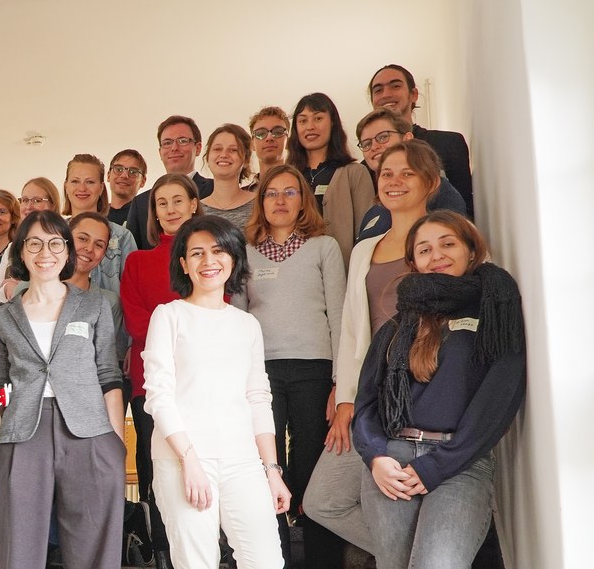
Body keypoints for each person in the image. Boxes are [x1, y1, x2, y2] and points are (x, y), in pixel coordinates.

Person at [0, 210, 125, 569]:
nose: (46, 252)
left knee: (95, 547)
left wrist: (115, 446)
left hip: (91, 435)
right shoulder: (3, 318)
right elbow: (0, 390)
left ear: (67, 250)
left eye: (56, 242)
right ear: (21, 253)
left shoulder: (94, 305)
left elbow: (109, 376)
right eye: (35, 243)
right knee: (17, 546)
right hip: (23, 435)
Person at [353, 211, 525, 569]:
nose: (438, 255)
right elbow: (367, 403)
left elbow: (498, 402)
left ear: (471, 251)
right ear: (414, 262)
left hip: (459, 463)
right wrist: (376, 456)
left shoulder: (496, 310)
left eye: (448, 244)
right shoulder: (398, 325)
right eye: (425, 249)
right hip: (392, 462)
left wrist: (438, 465)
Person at [304, 140, 442, 557]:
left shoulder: (445, 240)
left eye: (406, 173)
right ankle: (409, 559)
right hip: (371, 396)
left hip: (428, 392)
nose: (394, 181)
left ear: (430, 182)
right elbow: (350, 330)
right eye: (386, 173)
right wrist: (345, 397)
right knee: (322, 501)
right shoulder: (366, 247)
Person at [143, 214, 289, 569]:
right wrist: (188, 460)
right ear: (183, 264)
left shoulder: (246, 324)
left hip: (243, 461)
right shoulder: (168, 315)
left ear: (234, 259)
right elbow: (158, 395)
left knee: (266, 561)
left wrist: (271, 470)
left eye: (219, 251)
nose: (209, 261)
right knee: (197, 562)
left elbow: (258, 397)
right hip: (184, 459)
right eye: (197, 253)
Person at [234, 164, 347, 567]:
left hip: (315, 369)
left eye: (290, 192)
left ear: (304, 200)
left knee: (312, 466)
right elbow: (238, 319)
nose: (280, 201)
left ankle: (322, 560)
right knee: (267, 467)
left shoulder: (324, 247)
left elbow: (339, 316)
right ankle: (276, 557)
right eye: (271, 193)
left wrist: (341, 383)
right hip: (262, 372)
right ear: (260, 202)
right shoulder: (243, 252)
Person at [121, 173, 205, 569]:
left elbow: (215, 320)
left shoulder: (208, 258)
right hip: (151, 384)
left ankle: (211, 550)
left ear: (193, 204)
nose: (169, 210)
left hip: (204, 381)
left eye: (177, 201)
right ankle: (163, 555)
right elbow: (137, 326)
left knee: (205, 462)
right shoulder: (138, 261)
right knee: (155, 470)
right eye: (161, 203)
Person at [369, 64, 474, 217]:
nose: (386, 94)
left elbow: (466, 211)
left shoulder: (448, 143)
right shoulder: (367, 166)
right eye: (378, 90)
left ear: (414, 94)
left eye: (395, 86)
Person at [286, 93, 374, 269]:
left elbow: (368, 235)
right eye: (303, 121)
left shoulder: (354, 173)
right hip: (296, 274)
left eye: (318, 118)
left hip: (343, 272)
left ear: (333, 122)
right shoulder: (287, 176)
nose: (310, 126)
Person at [355, 108, 468, 241]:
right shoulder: (373, 213)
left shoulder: (438, 192)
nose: (374, 147)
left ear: (407, 138)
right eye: (366, 144)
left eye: (383, 137)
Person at [126, 115, 215, 250]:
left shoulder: (215, 190)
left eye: (182, 140)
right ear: (160, 152)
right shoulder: (141, 203)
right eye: (167, 142)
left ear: (197, 148)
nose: (174, 147)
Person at [62, 154, 137, 295]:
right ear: (66, 186)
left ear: (101, 187)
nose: (82, 188)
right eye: (75, 181)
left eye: (90, 182)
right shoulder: (53, 233)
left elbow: (133, 292)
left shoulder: (122, 236)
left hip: (109, 315)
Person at [66, 211, 129, 363]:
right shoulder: (30, 290)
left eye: (99, 244)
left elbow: (109, 367)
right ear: (66, 239)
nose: (89, 248)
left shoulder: (109, 302)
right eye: (82, 238)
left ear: (104, 254)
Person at [200, 124, 258, 230]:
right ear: (207, 158)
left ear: (246, 160)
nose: (224, 155)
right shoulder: (196, 210)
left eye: (233, 150)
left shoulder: (260, 205)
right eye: (217, 149)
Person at [106, 149, 148, 226]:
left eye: (133, 172)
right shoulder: (94, 214)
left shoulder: (147, 218)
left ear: (143, 181)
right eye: (118, 169)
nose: (124, 175)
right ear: (108, 175)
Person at [250, 107, 291, 179]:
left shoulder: (303, 188)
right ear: (252, 144)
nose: (269, 138)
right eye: (261, 134)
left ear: (288, 141)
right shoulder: (242, 190)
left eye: (278, 132)